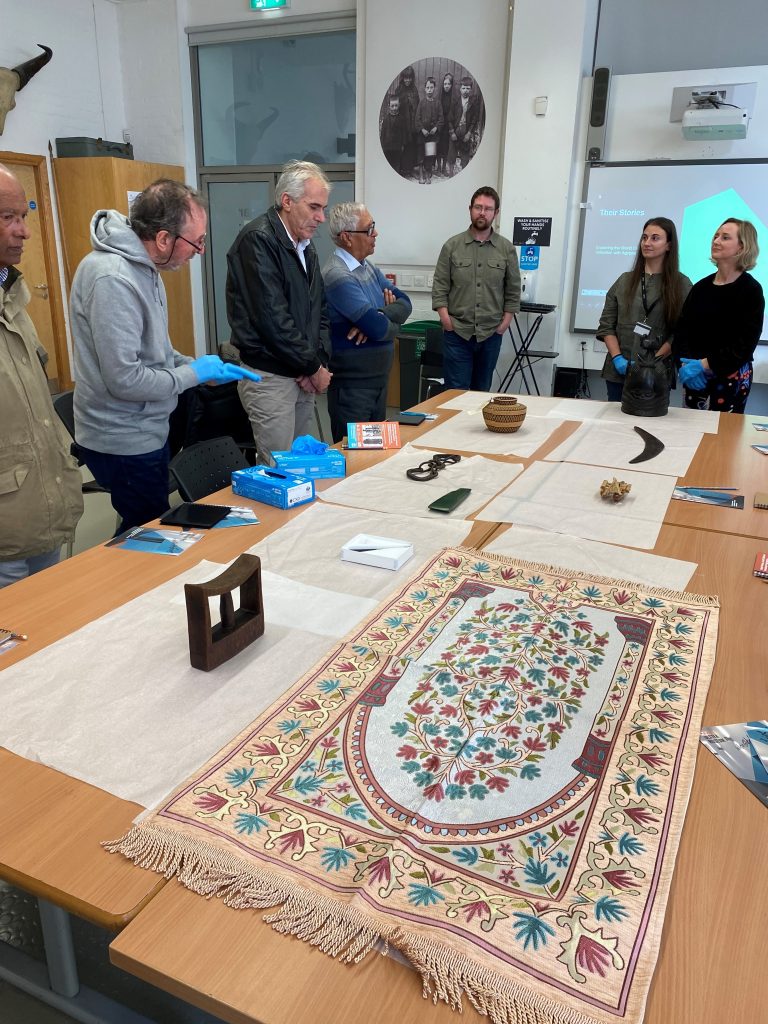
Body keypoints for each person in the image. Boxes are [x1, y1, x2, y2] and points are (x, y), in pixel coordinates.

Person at [70, 178, 253, 534]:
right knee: (148, 536)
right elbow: (125, 379)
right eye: (196, 242)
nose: (200, 252)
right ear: (164, 239)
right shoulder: (112, 278)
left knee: (144, 529)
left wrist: (199, 368)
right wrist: (193, 375)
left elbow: (159, 354)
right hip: (122, 437)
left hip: (147, 427)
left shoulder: (145, 270)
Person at [0, 163, 83, 587]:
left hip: (41, 512)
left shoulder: (11, 295)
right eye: (7, 217)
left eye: (25, 216)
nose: (24, 232)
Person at [226, 160, 333, 463]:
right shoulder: (258, 240)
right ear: (287, 201)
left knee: (299, 466)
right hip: (271, 376)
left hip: (301, 372)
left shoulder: (305, 245)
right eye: (314, 207)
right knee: (277, 470)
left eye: (322, 208)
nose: (321, 217)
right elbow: (272, 319)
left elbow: (319, 311)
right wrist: (312, 367)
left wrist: (318, 362)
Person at [322, 203, 412, 442]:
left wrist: (379, 314)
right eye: (369, 229)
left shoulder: (368, 268)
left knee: (375, 460)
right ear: (347, 237)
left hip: (378, 383)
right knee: (355, 463)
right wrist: (380, 323)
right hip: (353, 389)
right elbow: (378, 328)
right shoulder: (338, 275)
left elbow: (405, 303)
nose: (376, 233)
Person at [432, 186, 520, 392]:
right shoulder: (452, 246)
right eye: (478, 207)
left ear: (496, 213)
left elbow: (513, 290)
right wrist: (446, 321)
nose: (482, 212)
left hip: (491, 334)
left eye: (488, 209)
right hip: (457, 334)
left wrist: (503, 325)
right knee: (455, 394)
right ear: (470, 209)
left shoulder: (506, 249)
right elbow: (440, 287)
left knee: (481, 393)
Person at [673, 218, 764, 413]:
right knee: (689, 437)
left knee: (722, 440)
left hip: (730, 380)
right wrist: (685, 364)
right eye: (716, 236)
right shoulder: (701, 287)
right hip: (694, 377)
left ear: (742, 247)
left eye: (725, 237)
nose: (716, 241)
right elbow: (682, 331)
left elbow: (745, 344)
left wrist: (704, 364)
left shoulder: (751, 290)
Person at [597, 217, 691, 402]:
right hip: (618, 371)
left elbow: (681, 333)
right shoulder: (624, 280)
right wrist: (617, 358)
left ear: (669, 245)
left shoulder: (681, 284)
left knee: (649, 424)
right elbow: (606, 325)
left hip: (655, 375)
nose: (647, 243)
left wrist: (649, 364)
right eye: (644, 237)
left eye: (655, 238)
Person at [448, 76, 483, 173]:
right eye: (463, 88)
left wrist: (469, 133)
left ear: (471, 89)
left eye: (468, 88)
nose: (465, 91)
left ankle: (464, 172)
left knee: (465, 156)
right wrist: (452, 133)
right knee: (451, 154)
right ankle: (451, 172)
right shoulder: (455, 101)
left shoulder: (473, 103)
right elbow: (449, 119)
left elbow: (474, 120)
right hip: (455, 132)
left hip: (465, 133)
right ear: (460, 89)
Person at [414, 77, 443, 184]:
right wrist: (422, 129)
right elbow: (417, 118)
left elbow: (441, 119)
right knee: (421, 155)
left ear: (434, 88)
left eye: (431, 87)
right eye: (428, 87)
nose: (430, 90)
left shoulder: (438, 103)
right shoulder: (421, 103)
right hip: (422, 136)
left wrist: (436, 128)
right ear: (424, 89)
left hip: (432, 136)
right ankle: (421, 174)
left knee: (429, 156)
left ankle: (427, 174)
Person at [396, 66, 419, 179]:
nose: (408, 80)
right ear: (403, 78)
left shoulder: (414, 89)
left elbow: (417, 105)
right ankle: (402, 169)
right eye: (406, 78)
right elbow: (396, 107)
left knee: (412, 147)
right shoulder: (399, 90)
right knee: (403, 147)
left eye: (410, 78)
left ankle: (410, 169)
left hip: (413, 124)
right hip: (402, 124)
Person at [380, 93, 406, 175]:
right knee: (388, 164)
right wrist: (382, 145)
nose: (394, 108)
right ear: (389, 106)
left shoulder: (402, 119)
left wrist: (403, 144)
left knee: (397, 163)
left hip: (397, 147)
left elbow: (404, 133)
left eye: (396, 105)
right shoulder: (386, 119)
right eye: (392, 106)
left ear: (399, 105)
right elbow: (383, 134)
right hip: (387, 147)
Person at [436, 72, 455, 177]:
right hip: (440, 125)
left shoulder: (453, 97)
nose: (446, 86)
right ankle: (438, 167)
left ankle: (444, 167)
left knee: (446, 147)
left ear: (451, 85)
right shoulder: (440, 96)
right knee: (438, 146)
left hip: (448, 126)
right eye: (445, 84)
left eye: (448, 84)